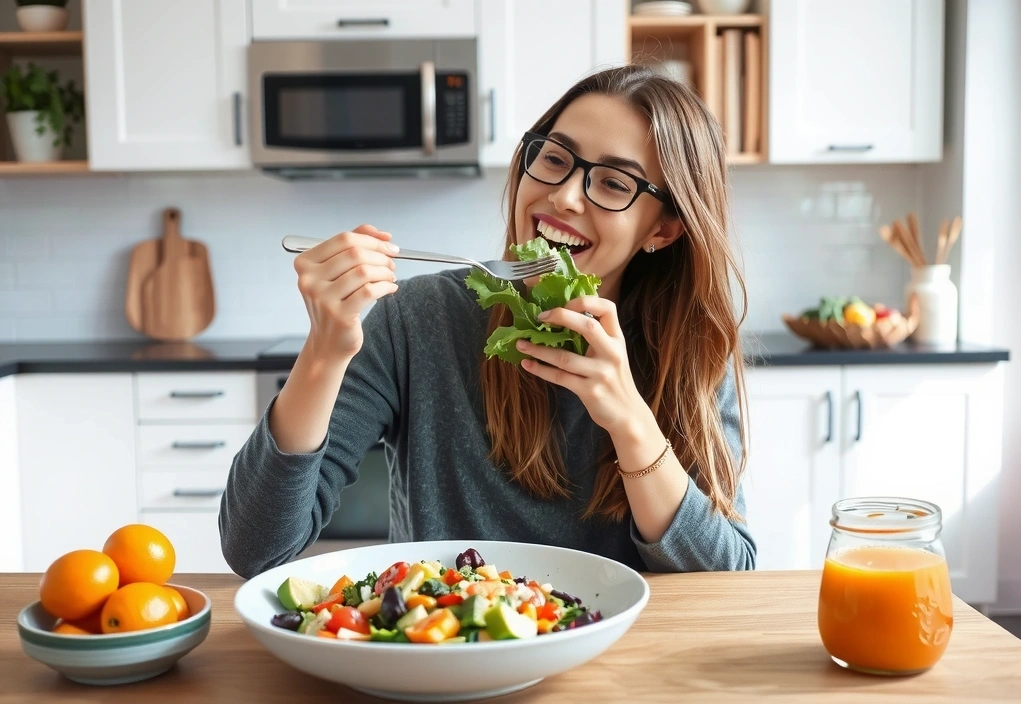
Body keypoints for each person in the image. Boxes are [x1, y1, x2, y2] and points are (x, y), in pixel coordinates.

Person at [219, 64, 755, 579]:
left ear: (662, 230)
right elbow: (255, 548)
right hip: (441, 654)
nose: (563, 196)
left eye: (614, 184)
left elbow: (727, 573)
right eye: (554, 158)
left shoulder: (695, 349)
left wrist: (630, 423)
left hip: (619, 660)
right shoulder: (415, 319)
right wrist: (324, 352)